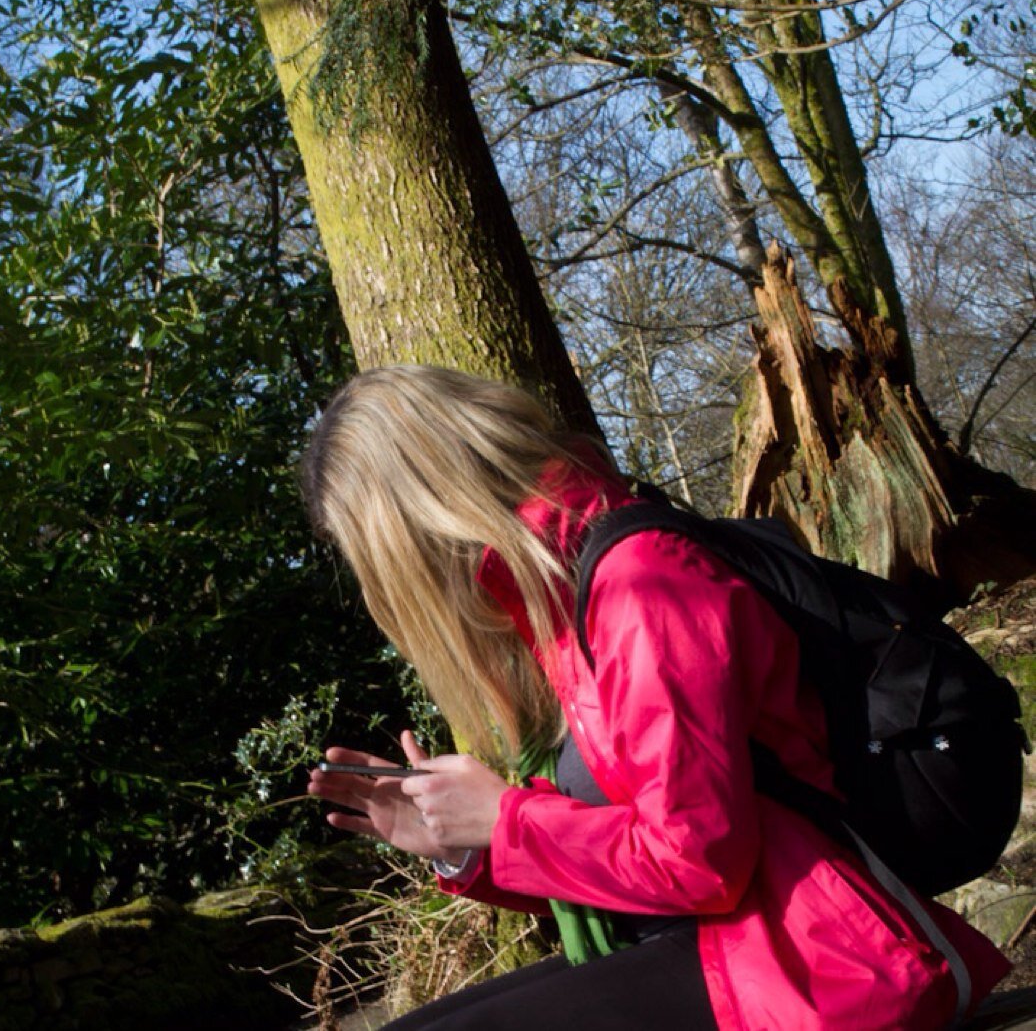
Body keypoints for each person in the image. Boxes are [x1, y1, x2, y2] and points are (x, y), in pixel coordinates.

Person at [303, 365, 1009, 1030]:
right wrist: (462, 846)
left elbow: (697, 861)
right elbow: (629, 852)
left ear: (412, 520)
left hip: (816, 960)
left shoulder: (640, 582)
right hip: (735, 941)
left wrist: (506, 820)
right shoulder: (562, 599)